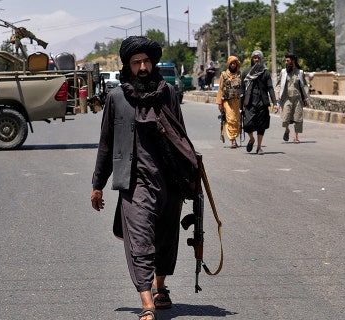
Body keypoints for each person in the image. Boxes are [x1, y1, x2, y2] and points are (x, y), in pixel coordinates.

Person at [90, 36, 198, 320]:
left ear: (153, 63)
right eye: (136, 62)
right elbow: (106, 144)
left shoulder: (169, 93)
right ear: (127, 65)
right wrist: (97, 185)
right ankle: (146, 301)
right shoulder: (116, 98)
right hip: (134, 184)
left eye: (147, 61)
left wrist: (191, 177)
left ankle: (160, 287)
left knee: (164, 237)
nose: (142, 67)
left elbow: (181, 136)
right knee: (140, 240)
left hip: (169, 181)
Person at [241, 50, 278, 154]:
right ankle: (252, 139)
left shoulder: (265, 73)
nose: (256, 59)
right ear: (252, 59)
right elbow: (242, 90)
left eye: (258, 58)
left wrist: (275, 103)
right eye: (254, 57)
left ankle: (259, 147)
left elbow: (270, 88)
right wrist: (240, 106)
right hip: (249, 102)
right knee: (247, 124)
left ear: (261, 59)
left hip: (262, 102)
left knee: (261, 125)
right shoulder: (246, 72)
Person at [277, 53, 309, 143]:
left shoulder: (300, 72)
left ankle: (296, 137)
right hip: (286, 98)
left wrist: (306, 98)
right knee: (285, 118)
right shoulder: (283, 72)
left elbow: (305, 86)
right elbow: (278, 85)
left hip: (297, 99)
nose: (286, 62)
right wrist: (277, 97)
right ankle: (287, 129)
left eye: (288, 61)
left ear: (293, 61)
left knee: (298, 118)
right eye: (285, 61)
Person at [216, 56, 243, 148]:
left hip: (237, 101)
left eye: (234, 63)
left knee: (236, 120)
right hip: (227, 101)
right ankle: (233, 140)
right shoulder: (224, 75)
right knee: (230, 119)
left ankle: (234, 136)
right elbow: (220, 89)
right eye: (231, 63)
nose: (232, 65)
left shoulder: (240, 75)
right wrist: (219, 103)